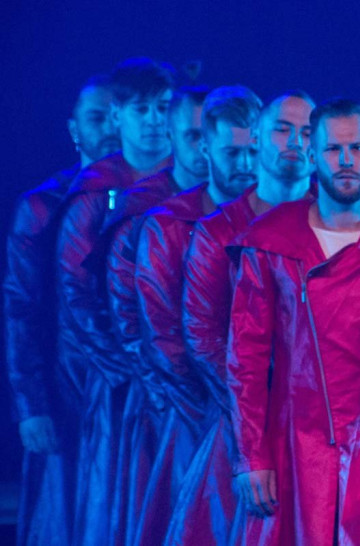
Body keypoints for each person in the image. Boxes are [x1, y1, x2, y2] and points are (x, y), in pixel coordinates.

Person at [226, 98, 360, 545]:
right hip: (295, 444)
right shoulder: (271, 241)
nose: (345, 160)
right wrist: (251, 455)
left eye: (356, 148)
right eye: (332, 149)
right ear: (311, 155)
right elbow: (246, 359)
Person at [165, 91, 315, 546]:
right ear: (259, 138)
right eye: (282, 130)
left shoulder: (335, 223)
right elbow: (202, 337)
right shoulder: (217, 231)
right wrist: (256, 412)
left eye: (307, 132)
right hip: (245, 423)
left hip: (320, 426)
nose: (295, 142)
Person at [131, 85, 262, 545]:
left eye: (253, 151)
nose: (245, 164)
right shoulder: (169, 224)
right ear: (206, 149)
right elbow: (165, 340)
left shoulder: (275, 219)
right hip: (197, 410)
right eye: (232, 152)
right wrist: (233, 410)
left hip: (252, 412)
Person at [55, 57, 175, 546]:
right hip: (120, 381)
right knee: (118, 500)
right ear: (118, 115)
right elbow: (76, 293)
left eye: (162, 107)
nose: (153, 120)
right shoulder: (95, 190)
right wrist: (129, 369)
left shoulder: (189, 179)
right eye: (141, 109)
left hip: (181, 373)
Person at [4, 74, 119, 546]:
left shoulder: (157, 200)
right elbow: (21, 308)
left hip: (130, 395)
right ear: (75, 129)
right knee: (65, 519)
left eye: (117, 117)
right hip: (65, 390)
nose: (110, 129)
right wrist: (30, 404)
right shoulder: (44, 206)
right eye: (97, 118)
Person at [104, 85, 210, 546]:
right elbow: (131, 321)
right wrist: (175, 399)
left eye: (211, 135)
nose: (204, 148)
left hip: (217, 399)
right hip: (162, 400)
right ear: (172, 135)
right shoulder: (143, 211)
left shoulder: (241, 208)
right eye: (192, 136)